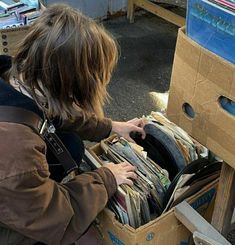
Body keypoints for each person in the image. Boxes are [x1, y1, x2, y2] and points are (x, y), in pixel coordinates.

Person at [0, 4, 145, 245]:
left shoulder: (20, 75)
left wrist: (110, 127)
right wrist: (106, 177)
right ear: (72, 87)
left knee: (71, 144)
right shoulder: (15, 151)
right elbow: (55, 217)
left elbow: (55, 112)